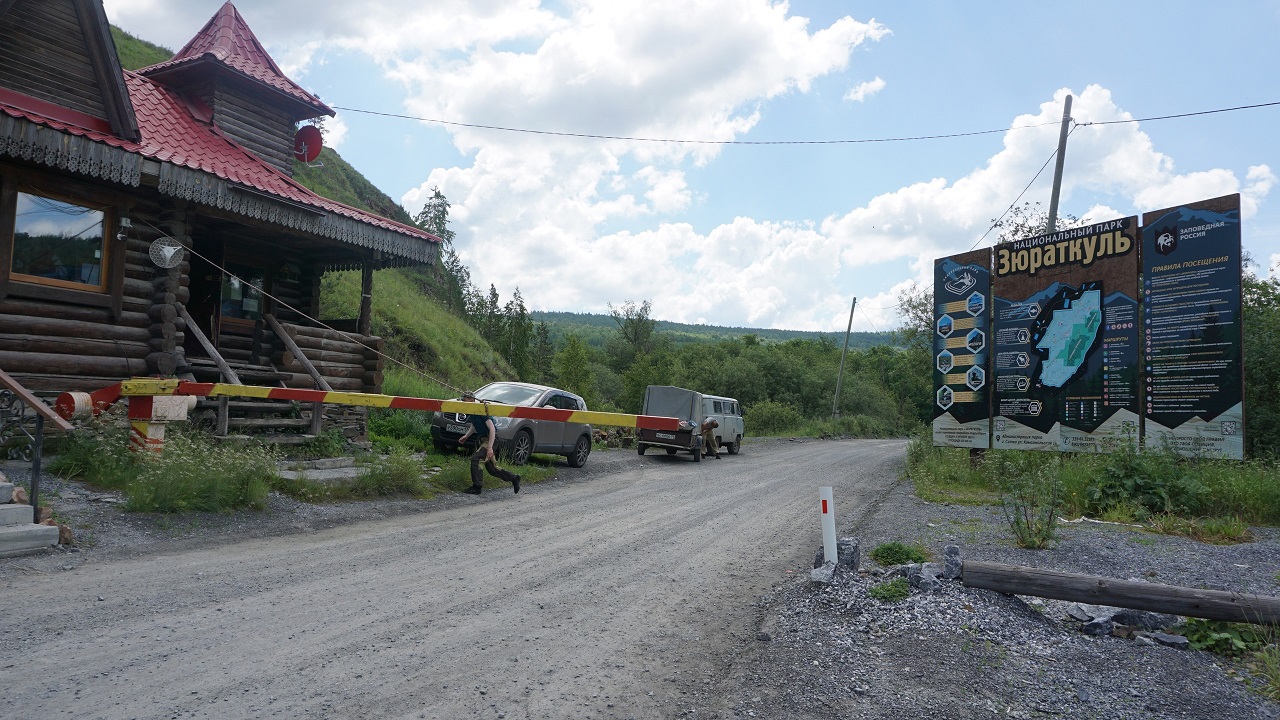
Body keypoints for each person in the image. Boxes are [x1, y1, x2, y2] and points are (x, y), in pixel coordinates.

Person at [455, 390, 522, 495]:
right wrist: (466, 436)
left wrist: (490, 447)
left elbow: (492, 429)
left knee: (476, 458)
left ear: (472, 400)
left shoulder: (481, 410)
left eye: (465, 400)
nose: (463, 402)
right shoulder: (471, 411)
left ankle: (477, 487)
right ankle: (514, 478)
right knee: (492, 470)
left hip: (491, 439)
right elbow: (474, 425)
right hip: (483, 439)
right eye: (462, 400)